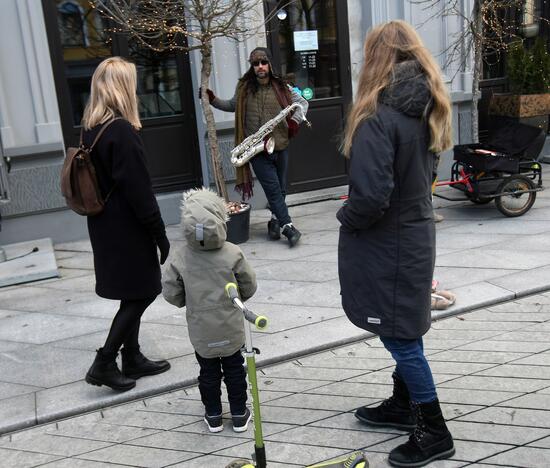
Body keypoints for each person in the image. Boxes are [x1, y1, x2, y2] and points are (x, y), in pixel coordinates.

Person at [337, 21, 455, 467]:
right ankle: (404, 405)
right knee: (403, 327)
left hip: (388, 243)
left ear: (376, 59)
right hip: (413, 234)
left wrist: (345, 216)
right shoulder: (427, 108)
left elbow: (369, 197)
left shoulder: (379, 116)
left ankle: (433, 430)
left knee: (400, 337)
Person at [82, 57, 171, 392]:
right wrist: (159, 233)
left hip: (105, 225)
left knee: (133, 290)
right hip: (127, 227)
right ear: (122, 87)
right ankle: (105, 361)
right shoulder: (120, 130)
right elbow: (140, 191)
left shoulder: (92, 127)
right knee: (145, 290)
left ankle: (131, 356)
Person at [162, 188, 257, 433]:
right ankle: (238, 413)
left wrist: (188, 301)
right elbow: (249, 284)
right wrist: (239, 298)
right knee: (235, 369)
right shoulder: (233, 253)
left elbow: (171, 292)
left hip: (201, 328)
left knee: (208, 371)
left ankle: (213, 414)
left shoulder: (180, 257)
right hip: (230, 325)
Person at [202, 47, 309, 247]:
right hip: (257, 149)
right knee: (273, 189)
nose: (260, 67)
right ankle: (288, 226)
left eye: (263, 62)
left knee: (281, 189)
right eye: (255, 64)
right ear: (252, 67)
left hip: (281, 145)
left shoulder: (283, 86)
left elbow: (303, 104)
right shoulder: (244, 88)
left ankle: (274, 222)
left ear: (269, 64)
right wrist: (213, 99)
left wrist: (294, 122)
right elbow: (231, 105)